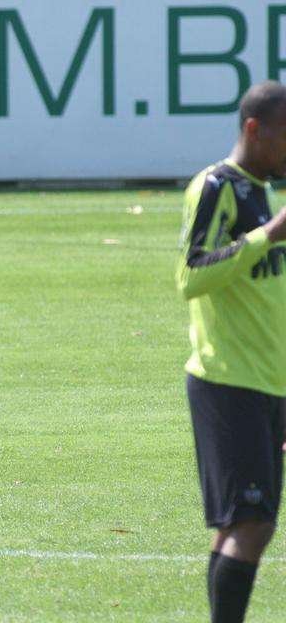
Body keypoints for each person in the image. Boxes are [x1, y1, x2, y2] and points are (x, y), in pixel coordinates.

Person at [177, 80, 286, 622]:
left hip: (268, 381)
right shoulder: (218, 186)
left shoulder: (265, 191)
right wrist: (269, 235)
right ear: (254, 129)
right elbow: (191, 274)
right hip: (227, 379)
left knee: (246, 523)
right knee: (252, 522)